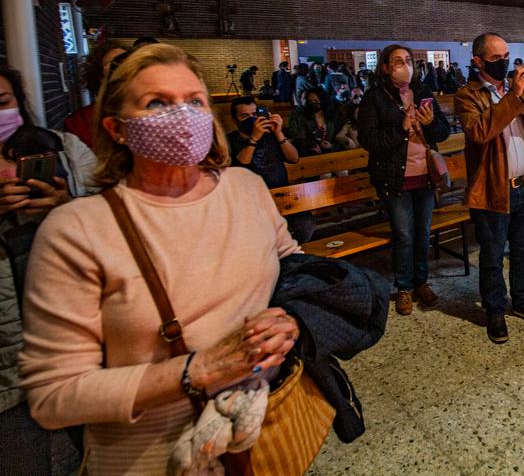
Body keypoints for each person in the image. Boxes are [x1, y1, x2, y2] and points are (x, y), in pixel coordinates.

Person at [18, 44, 301, 473]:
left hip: (262, 432)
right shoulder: (78, 229)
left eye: (194, 101)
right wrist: (199, 369)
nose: (183, 116)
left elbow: (296, 267)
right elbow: (53, 396)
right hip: (150, 455)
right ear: (117, 128)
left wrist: (292, 318)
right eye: (157, 103)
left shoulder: (245, 188)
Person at [1, 66, 98, 474]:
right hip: (7, 351)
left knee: (96, 448)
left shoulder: (63, 148)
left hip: (76, 326)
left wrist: (67, 204)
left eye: (2, 103)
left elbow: (116, 211)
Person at [455, 32, 524, 344]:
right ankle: (495, 310)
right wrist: (514, 96)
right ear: (478, 61)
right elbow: (480, 132)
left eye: (505, 57)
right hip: (493, 190)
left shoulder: (520, 90)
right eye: (495, 59)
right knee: (493, 254)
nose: (504, 63)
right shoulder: (467, 95)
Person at [358, 45, 451, 316]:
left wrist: (431, 122)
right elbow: (370, 141)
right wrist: (401, 129)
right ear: (385, 67)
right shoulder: (375, 98)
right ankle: (404, 287)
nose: (405, 65)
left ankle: (421, 281)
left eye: (408, 60)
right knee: (404, 235)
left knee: (423, 233)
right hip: (395, 177)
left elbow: (442, 133)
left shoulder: (422, 92)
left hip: (425, 176)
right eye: (397, 61)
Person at [226, 96, 315, 244]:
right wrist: (253, 139)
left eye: (254, 115)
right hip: (252, 202)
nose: (251, 119)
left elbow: (294, 158)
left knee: (306, 225)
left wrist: (278, 133)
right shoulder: (230, 141)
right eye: (244, 116)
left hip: (281, 197)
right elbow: (239, 167)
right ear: (235, 119)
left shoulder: (270, 136)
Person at [64, 40, 128, 148]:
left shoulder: (155, 112)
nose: (123, 69)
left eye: (128, 62)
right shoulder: (80, 122)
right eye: (114, 65)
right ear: (99, 77)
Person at [288, 87, 342, 156]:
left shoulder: (333, 116)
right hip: (310, 153)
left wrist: (331, 146)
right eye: (311, 101)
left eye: (316, 100)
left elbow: (339, 137)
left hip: (333, 152)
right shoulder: (303, 117)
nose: (314, 103)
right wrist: (311, 146)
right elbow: (299, 137)